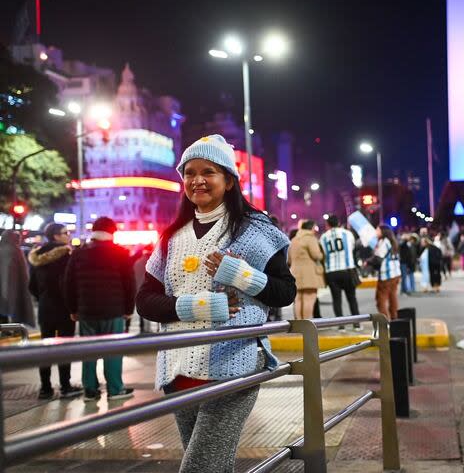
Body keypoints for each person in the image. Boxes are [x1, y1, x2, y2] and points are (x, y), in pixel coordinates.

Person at [136, 134, 295, 473]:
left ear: (229, 180)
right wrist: (194, 307)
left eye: (208, 171)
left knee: (199, 468)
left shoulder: (255, 230)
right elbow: (145, 300)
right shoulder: (171, 236)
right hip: (177, 367)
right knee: (215, 466)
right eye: (189, 173)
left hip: (234, 365)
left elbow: (285, 292)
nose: (197, 180)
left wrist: (244, 275)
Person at [64, 217, 135, 401]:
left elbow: (68, 283)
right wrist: (128, 309)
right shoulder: (120, 253)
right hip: (113, 310)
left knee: (89, 351)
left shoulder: (78, 253)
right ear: (112, 232)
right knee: (113, 351)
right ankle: (115, 389)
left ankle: (90, 390)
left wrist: (73, 309)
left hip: (86, 311)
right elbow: (129, 284)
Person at [28, 223, 82, 399]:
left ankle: (45, 388)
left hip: (45, 308)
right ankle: (65, 386)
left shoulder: (36, 256)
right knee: (65, 347)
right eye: (65, 233)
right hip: (64, 308)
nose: (68, 235)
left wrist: (43, 298)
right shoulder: (66, 254)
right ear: (56, 236)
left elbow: (32, 286)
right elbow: (72, 283)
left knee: (46, 349)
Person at [319, 215, 360, 330]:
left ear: (328, 224)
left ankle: (341, 325)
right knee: (352, 298)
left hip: (331, 271)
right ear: (339, 222)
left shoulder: (323, 237)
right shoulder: (347, 233)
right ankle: (356, 323)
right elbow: (351, 248)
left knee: (336, 299)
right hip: (347, 269)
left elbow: (322, 252)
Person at [288, 219, 325, 320]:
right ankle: (307, 322)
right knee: (309, 298)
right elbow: (316, 255)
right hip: (309, 274)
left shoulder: (294, 240)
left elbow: (289, 259)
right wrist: (322, 255)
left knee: (298, 299)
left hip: (295, 273)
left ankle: (300, 323)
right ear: (312, 228)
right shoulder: (310, 238)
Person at [0, 230, 34, 326]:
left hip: (4, 289)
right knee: (15, 306)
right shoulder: (16, 251)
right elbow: (22, 273)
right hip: (14, 287)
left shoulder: (2, 249)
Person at [371, 225, 401, 319]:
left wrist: (367, 262)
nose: (376, 231)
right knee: (393, 297)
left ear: (383, 232)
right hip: (395, 273)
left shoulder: (384, 242)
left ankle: (385, 321)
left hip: (386, 274)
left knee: (380, 300)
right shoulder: (393, 241)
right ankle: (394, 318)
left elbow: (378, 258)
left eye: (377, 229)